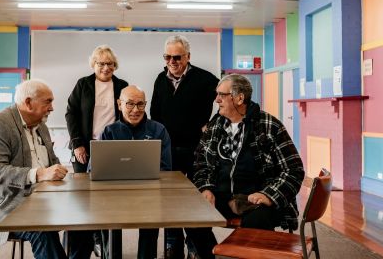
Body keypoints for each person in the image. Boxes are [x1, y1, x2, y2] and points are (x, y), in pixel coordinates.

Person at [186, 74, 305, 258]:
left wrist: (268, 195)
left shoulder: (269, 125)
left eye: (221, 95)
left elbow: (293, 170)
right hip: (222, 196)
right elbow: (201, 163)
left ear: (239, 98)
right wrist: (206, 188)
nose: (216, 99)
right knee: (190, 214)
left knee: (257, 222)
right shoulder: (215, 126)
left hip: (258, 202)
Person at [0, 79, 68, 259]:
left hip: (40, 198)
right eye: (48, 102)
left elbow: (51, 160)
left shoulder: (41, 126)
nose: (52, 108)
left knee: (81, 219)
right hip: (3, 204)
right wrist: (40, 173)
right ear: (28, 103)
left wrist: (58, 170)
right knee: (42, 231)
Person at [150, 35, 218, 259]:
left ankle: (196, 244)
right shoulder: (161, 79)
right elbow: (155, 113)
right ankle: (173, 244)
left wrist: (210, 125)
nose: (172, 61)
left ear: (188, 56)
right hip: (168, 151)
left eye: (177, 57)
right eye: (167, 57)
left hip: (196, 151)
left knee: (196, 199)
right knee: (169, 200)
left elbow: (224, 106)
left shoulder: (206, 80)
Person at [65, 45, 128, 258]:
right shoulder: (83, 84)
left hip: (110, 148)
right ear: (94, 64)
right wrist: (77, 144)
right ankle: (88, 241)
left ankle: (105, 242)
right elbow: (70, 113)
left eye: (110, 63)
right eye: (101, 63)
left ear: (114, 65)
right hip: (84, 147)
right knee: (84, 199)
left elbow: (127, 116)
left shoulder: (122, 86)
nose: (105, 67)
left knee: (108, 198)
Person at [99, 85, 172, 259]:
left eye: (140, 104)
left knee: (151, 218)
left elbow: (166, 168)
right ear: (119, 104)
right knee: (107, 218)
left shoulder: (158, 130)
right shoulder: (109, 131)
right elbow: (95, 169)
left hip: (149, 193)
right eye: (130, 104)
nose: (135, 110)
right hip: (114, 194)